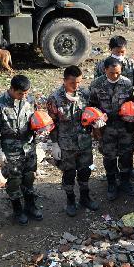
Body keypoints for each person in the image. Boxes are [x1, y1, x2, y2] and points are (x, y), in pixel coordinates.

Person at [46, 66, 98, 217]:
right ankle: (70, 200)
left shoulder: (85, 94)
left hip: (84, 141)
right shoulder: (55, 98)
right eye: (72, 83)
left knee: (85, 170)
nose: (76, 86)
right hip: (66, 144)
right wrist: (54, 143)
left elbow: (92, 113)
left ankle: (85, 197)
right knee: (68, 173)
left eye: (79, 82)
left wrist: (96, 122)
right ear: (64, 81)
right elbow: (51, 124)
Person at [0, 75, 41, 225]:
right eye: (20, 94)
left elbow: (34, 121)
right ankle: (17, 208)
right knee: (14, 179)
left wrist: (39, 130)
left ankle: (30, 205)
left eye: (26, 93)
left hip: (28, 147)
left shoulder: (29, 100)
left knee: (29, 176)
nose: (23, 96)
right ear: (11, 89)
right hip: (10, 150)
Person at [90, 59, 134, 200]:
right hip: (106, 128)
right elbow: (92, 106)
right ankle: (111, 183)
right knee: (109, 157)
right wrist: (95, 128)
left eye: (118, 73)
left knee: (127, 155)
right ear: (105, 70)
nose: (115, 76)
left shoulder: (127, 83)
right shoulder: (96, 85)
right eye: (112, 73)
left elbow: (131, 103)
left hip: (125, 126)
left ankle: (125, 182)